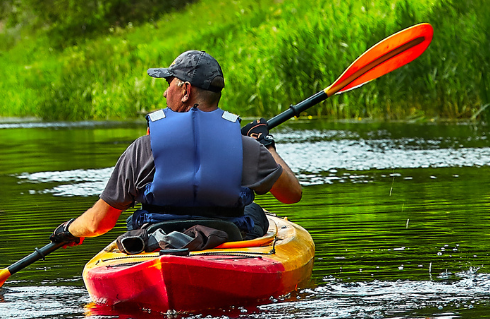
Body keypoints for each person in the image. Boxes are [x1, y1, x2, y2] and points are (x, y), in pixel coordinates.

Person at [46, 49, 303, 251]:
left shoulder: (142, 148)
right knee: (254, 212)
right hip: (225, 238)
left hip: (156, 240)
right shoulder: (246, 147)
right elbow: (292, 194)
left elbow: (97, 224)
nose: (164, 92)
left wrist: (69, 229)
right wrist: (265, 145)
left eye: (169, 82)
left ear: (185, 90)